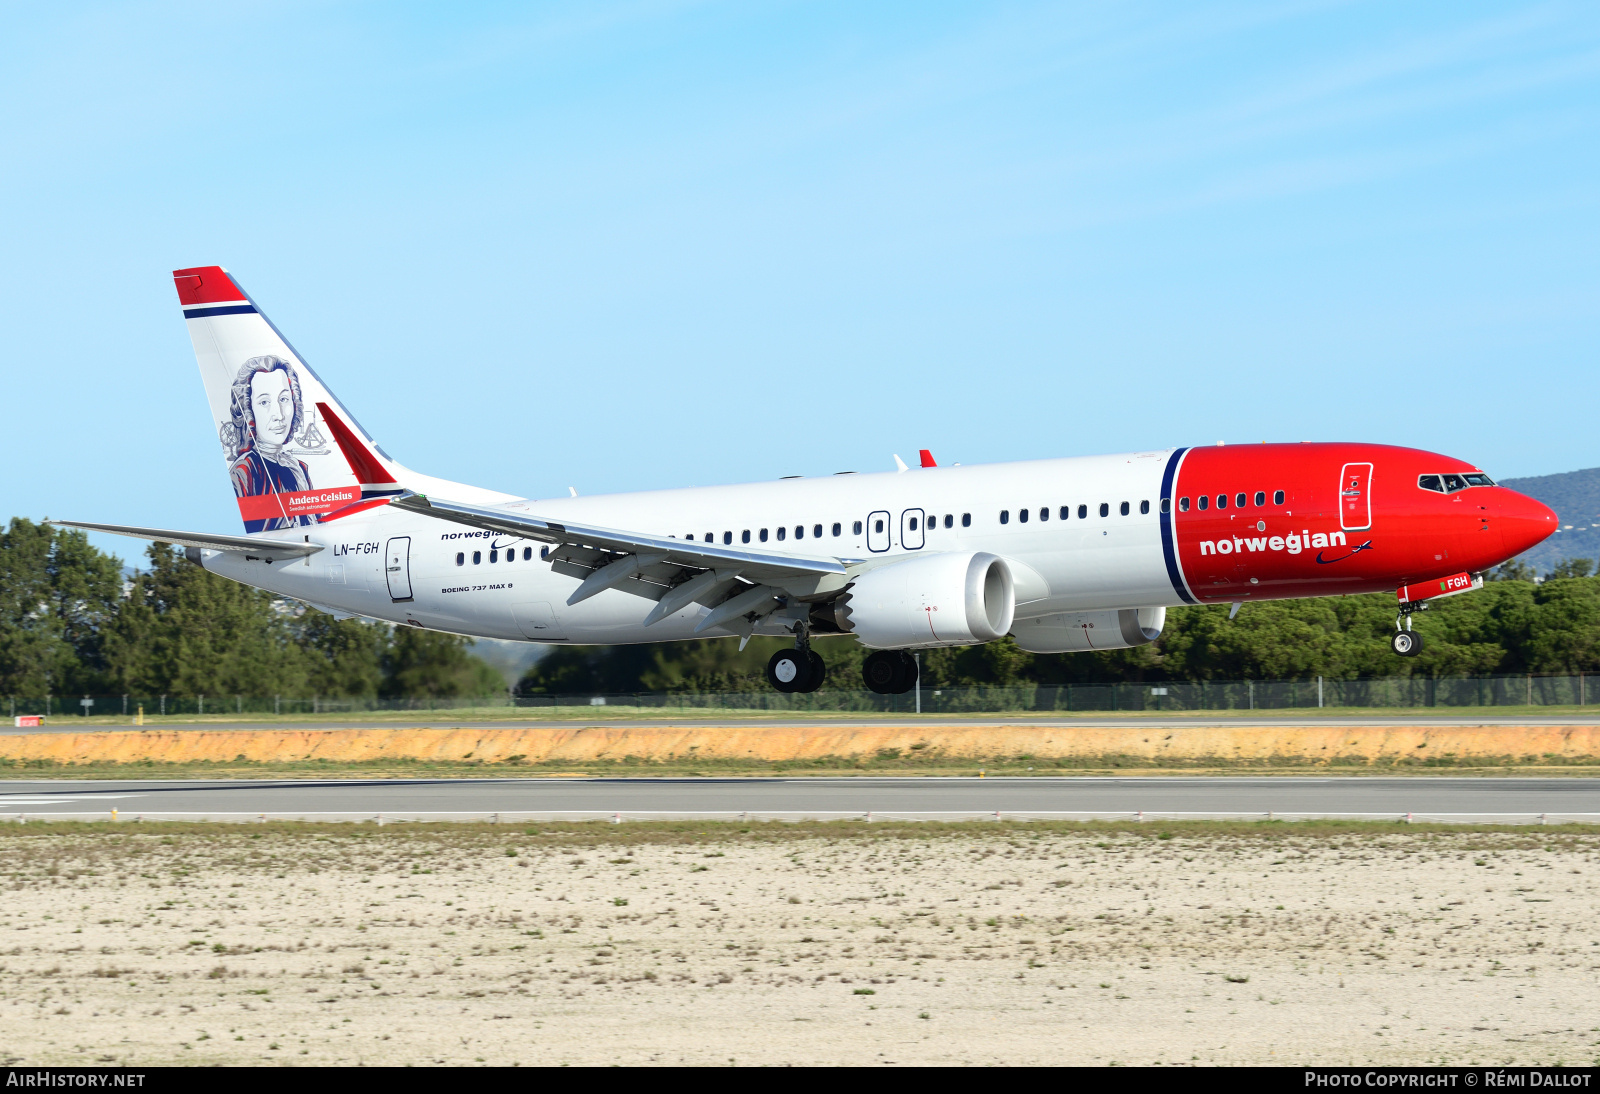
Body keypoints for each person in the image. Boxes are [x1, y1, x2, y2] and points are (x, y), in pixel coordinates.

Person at [225, 355, 319, 532]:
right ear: (248, 410)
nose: (279, 414)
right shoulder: (244, 472)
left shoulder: (299, 468)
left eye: (283, 399)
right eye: (264, 402)